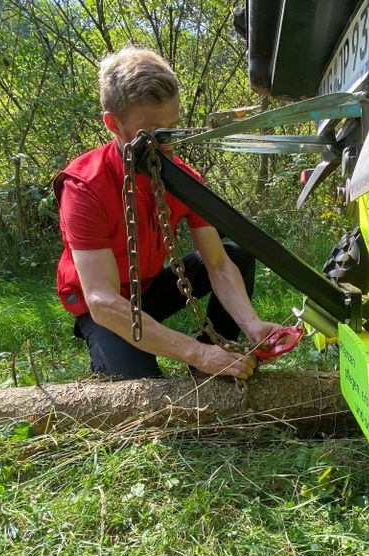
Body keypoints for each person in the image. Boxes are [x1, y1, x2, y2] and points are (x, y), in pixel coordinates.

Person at [54, 46, 280, 380]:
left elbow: (217, 265)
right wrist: (197, 352)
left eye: (172, 129)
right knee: (145, 392)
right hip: (106, 309)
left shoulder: (183, 179)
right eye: (153, 134)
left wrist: (252, 323)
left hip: (150, 291)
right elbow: (101, 299)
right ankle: (203, 357)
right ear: (112, 123)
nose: (167, 145)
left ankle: (218, 357)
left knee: (237, 254)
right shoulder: (85, 185)